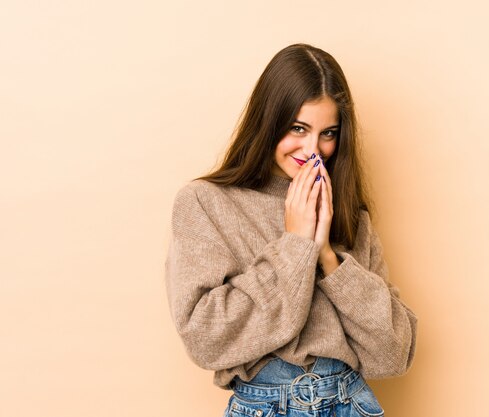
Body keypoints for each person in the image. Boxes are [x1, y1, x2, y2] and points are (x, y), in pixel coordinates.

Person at [165, 43, 417, 417]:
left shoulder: (346, 212)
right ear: (269, 120)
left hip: (351, 403)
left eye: (328, 133)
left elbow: (392, 354)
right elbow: (205, 339)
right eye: (298, 128)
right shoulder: (206, 203)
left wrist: (329, 259)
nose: (313, 149)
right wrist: (296, 245)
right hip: (266, 405)